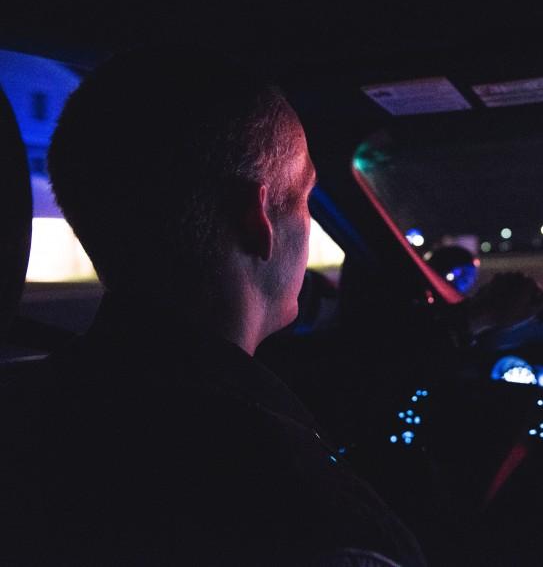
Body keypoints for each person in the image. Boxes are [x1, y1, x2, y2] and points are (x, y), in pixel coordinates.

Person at [18, 46, 425, 565]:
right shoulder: (312, 515)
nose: (308, 221)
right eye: (305, 199)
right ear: (256, 219)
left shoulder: (30, 411)